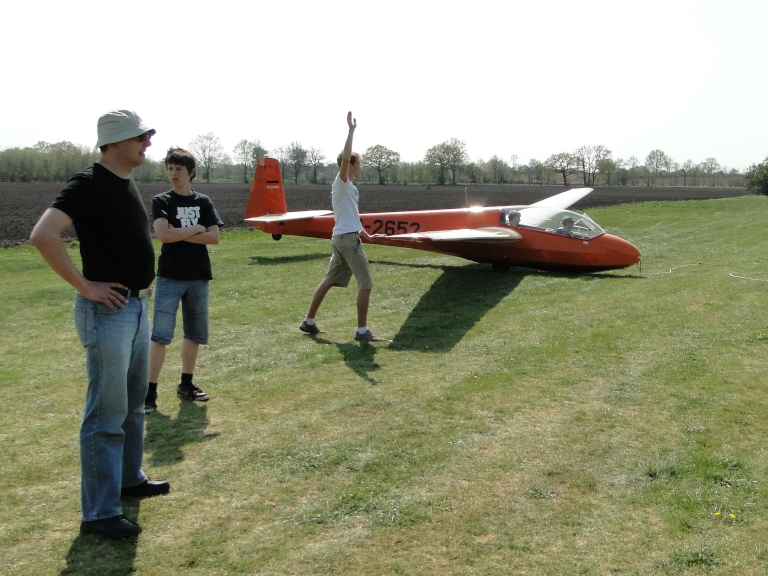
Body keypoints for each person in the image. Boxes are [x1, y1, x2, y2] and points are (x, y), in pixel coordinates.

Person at [30, 109, 170, 540]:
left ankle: (128, 479)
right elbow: (43, 235)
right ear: (114, 142)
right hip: (107, 313)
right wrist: (86, 286)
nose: (147, 142)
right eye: (140, 137)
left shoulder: (124, 181)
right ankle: (99, 513)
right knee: (105, 415)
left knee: (132, 406)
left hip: (135, 308)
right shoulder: (88, 183)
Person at [145, 148, 223, 414]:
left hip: (198, 276)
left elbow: (214, 237)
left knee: (194, 334)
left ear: (191, 172)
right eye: (170, 168)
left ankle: (186, 384)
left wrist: (178, 232)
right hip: (170, 276)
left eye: (178, 168)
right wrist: (196, 228)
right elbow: (163, 235)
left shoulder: (203, 202)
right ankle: (149, 393)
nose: (173, 173)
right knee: (160, 336)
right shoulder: (161, 200)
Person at [299, 112, 386, 342]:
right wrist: (351, 131)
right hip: (347, 240)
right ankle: (362, 331)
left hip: (342, 238)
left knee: (329, 281)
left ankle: (308, 322)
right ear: (349, 165)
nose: (360, 167)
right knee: (366, 284)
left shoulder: (351, 189)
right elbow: (346, 158)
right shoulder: (342, 181)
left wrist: (368, 236)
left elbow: (352, 218)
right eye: (358, 164)